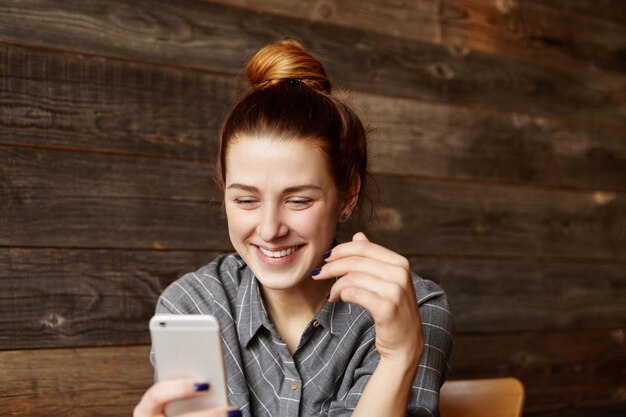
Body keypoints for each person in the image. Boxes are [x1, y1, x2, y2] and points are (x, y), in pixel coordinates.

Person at [134, 39, 454, 417]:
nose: (269, 230)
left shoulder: (412, 307)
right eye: (246, 200)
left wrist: (399, 356)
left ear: (348, 194)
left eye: (298, 200)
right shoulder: (192, 307)